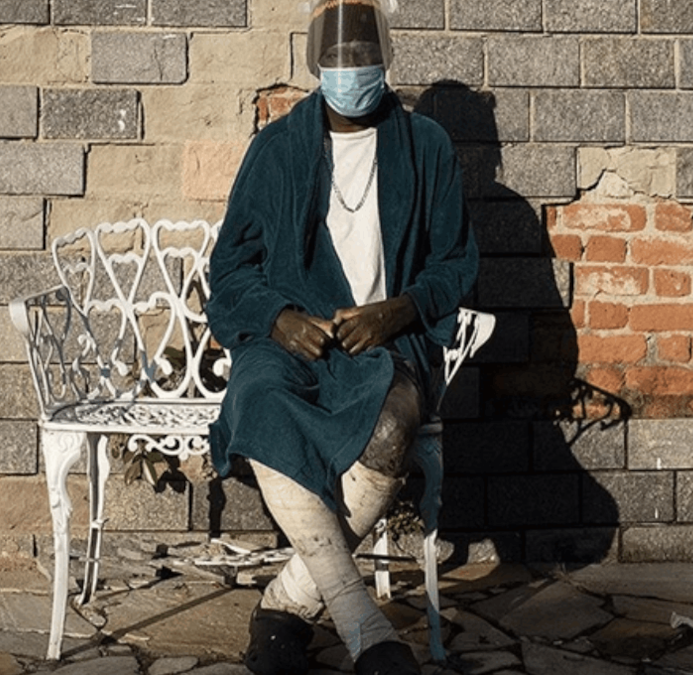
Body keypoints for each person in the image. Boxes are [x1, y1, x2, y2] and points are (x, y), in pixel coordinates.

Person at [205, 1, 477, 673]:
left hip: (383, 346)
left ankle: (283, 607)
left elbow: (455, 264)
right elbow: (231, 268)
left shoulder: (426, 147)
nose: (352, 74)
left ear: (386, 64)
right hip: (287, 345)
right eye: (339, 62)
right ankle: (366, 630)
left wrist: (399, 311)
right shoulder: (276, 149)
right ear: (316, 67)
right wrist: (278, 318)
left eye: (365, 61)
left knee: (390, 430)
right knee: (260, 403)